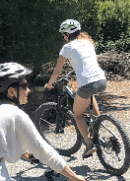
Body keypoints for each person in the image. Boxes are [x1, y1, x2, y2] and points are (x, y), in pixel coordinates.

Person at [45, 19, 107, 158]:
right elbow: (85, 61)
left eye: (63, 35)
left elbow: (56, 71)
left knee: (77, 114)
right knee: (91, 95)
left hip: (87, 83)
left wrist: (49, 84)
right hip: (101, 79)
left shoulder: (67, 48)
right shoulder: (87, 42)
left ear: (67, 34)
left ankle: (91, 144)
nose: (63, 38)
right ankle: (97, 125)